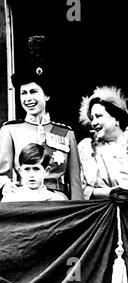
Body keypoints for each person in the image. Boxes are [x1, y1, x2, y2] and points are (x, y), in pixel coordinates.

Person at [0, 35, 83, 201]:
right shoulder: (11, 130)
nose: (28, 98)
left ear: (47, 96)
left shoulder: (65, 132)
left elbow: (74, 180)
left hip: (58, 201)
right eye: (23, 93)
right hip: (23, 201)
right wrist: (5, 184)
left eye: (33, 92)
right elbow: (2, 173)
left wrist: (77, 211)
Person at [1, 143, 68, 202]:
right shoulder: (11, 199)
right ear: (20, 171)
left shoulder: (56, 200)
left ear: (46, 171)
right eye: (27, 169)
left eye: (36, 169)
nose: (31, 175)